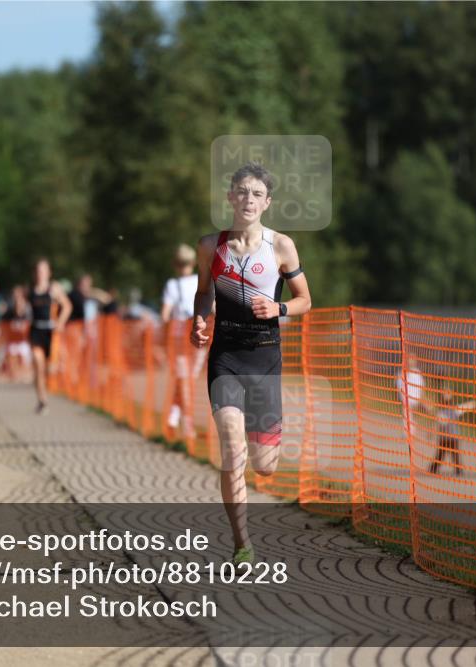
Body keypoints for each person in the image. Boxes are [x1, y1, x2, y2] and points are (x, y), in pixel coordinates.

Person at [191, 161, 312, 565]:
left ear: (267, 203)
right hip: (225, 356)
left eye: (256, 194)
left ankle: (273, 433)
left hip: (264, 358)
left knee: (263, 467)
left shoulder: (280, 246)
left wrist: (277, 308)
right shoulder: (212, 245)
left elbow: (305, 301)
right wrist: (199, 320)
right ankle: (242, 545)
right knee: (231, 447)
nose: (248, 199)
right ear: (230, 197)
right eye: (241, 191)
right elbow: (204, 293)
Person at [161, 244, 204, 439]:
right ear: (193, 263)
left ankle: (174, 415)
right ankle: (185, 423)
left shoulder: (172, 284)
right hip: (199, 334)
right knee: (188, 380)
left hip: (179, 336)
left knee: (184, 379)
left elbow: (165, 314)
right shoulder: (200, 280)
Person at [29, 258, 71, 415]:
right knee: (38, 364)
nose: (41, 274)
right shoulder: (31, 290)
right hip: (35, 331)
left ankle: (44, 393)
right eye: (38, 271)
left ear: (49, 272)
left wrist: (60, 322)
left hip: (50, 332)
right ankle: (42, 400)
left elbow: (67, 306)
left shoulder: (54, 289)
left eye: (43, 270)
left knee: (48, 370)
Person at [428, 388, 476, 477]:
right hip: (445, 438)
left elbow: (464, 407)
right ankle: (433, 469)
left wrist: (472, 404)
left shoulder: (453, 410)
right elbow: (437, 423)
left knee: (454, 455)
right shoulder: (443, 412)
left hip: (452, 438)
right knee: (440, 455)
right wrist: (431, 432)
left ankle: (458, 470)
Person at [4, 285, 32, 381]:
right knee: (12, 355)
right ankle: (14, 373)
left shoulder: (27, 307)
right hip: (13, 338)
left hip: (23, 339)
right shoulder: (10, 306)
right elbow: (6, 319)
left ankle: (26, 373)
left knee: (24, 357)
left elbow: (29, 320)